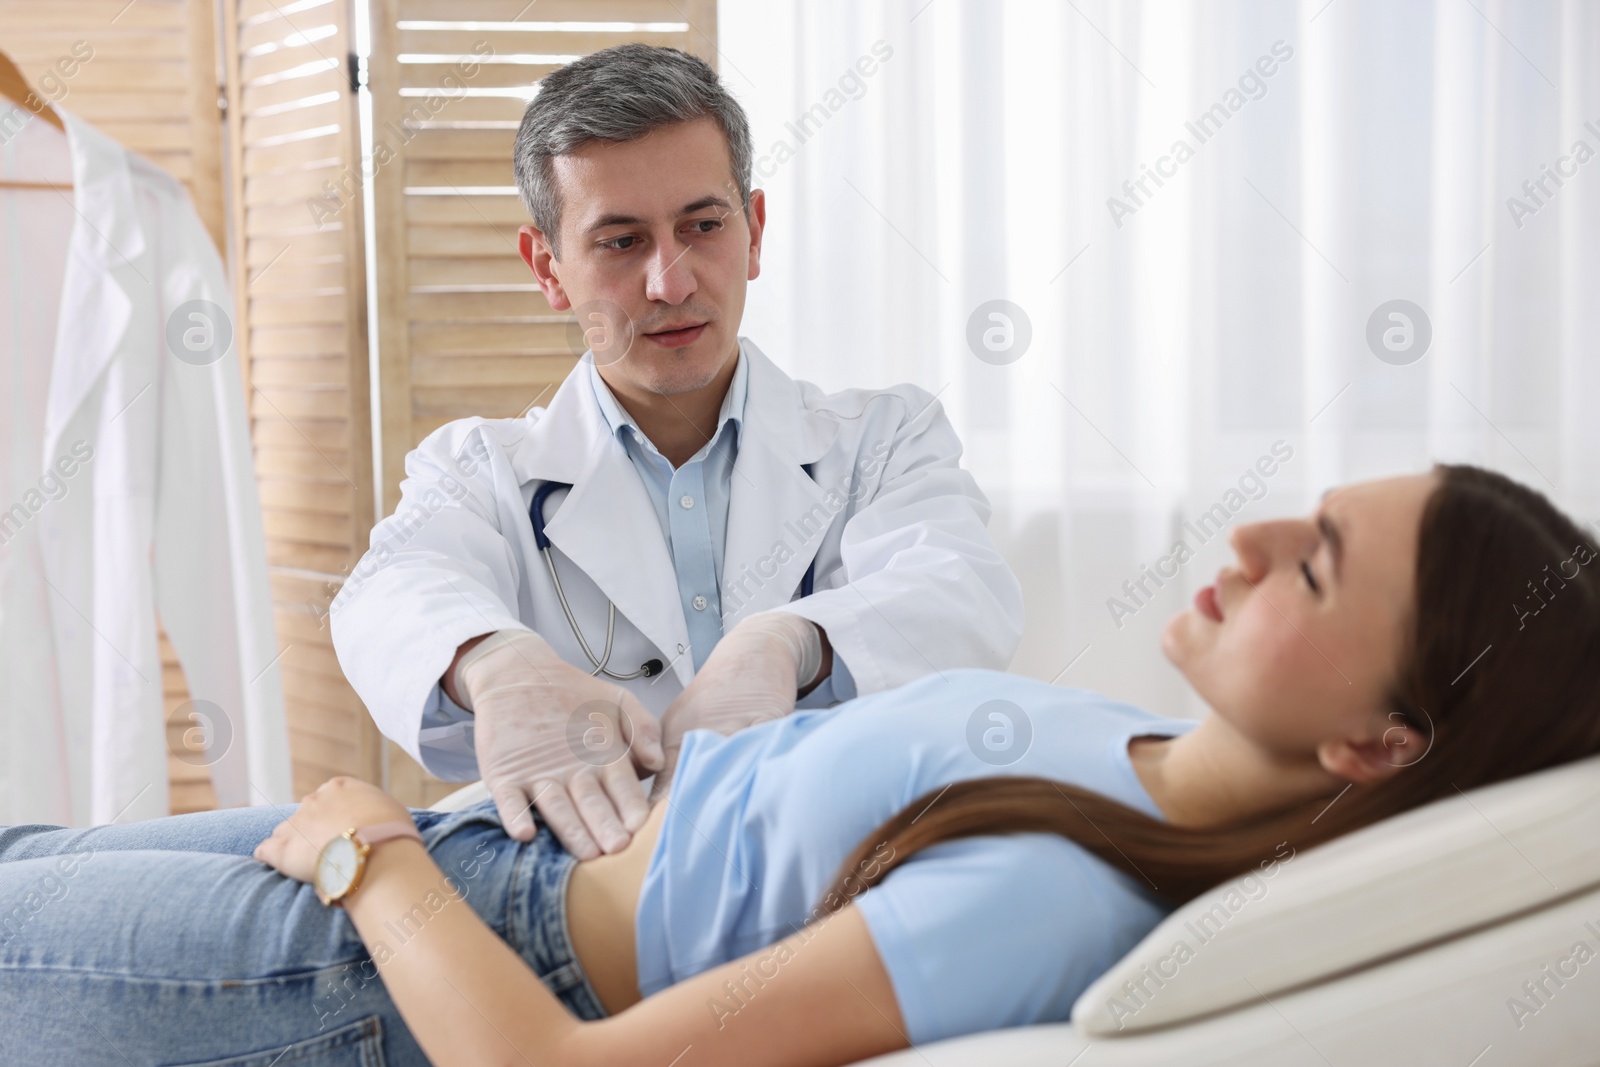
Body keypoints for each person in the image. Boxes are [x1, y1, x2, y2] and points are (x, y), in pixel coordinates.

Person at [4, 464, 1597, 1067]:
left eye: (1313, 565)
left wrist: (375, 856)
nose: (1250, 533)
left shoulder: (1057, 894)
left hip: (403, 946)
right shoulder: (1130, 752)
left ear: (1376, 744)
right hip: (469, 855)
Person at [329, 42, 1024, 862]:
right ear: (548, 268)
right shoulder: (480, 471)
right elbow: (389, 591)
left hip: (833, 875)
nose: (671, 280)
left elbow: (960, 590)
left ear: (754, 232)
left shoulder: (884, 439)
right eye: (621, 242)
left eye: (703, 226)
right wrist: (497, 661)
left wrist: (790, 643)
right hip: (582, 892)